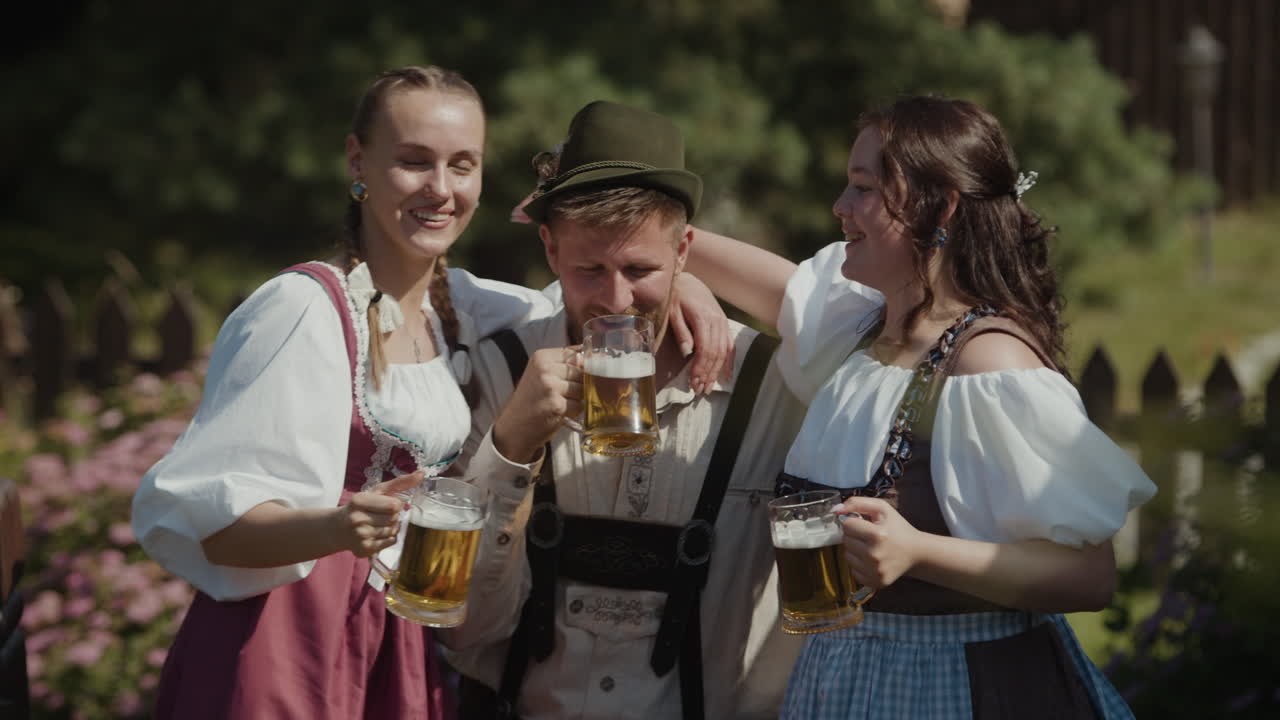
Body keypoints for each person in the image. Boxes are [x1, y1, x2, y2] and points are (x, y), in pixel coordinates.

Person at [130, 67, 729, 719]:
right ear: (357, 161)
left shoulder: (469, 309)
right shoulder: (303, 310)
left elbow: (600, 288)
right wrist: (334, 526)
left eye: (462, 165)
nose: (441, 188)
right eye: (415, 161)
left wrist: (684, 285)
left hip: (403, 638)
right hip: (291, 638)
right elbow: (208, 525)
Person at [684, 95, 1157, 719]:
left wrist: (919, 551)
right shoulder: (861, 333)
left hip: (958, 685)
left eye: (864, 188)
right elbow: (774, 286)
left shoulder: (988, 365)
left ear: (943, 206)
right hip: (842, 678)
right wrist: (667, 254)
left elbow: (1089, 576)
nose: (840, 206)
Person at [438, 100, 806, 720]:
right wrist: (510, 449)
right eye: (590, 269)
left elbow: (863, 320)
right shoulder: (503, 370)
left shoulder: (771, 386)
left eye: (640, 269)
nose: (615, 300)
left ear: (686, 250)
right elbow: (462, 628)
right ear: (550, 251)